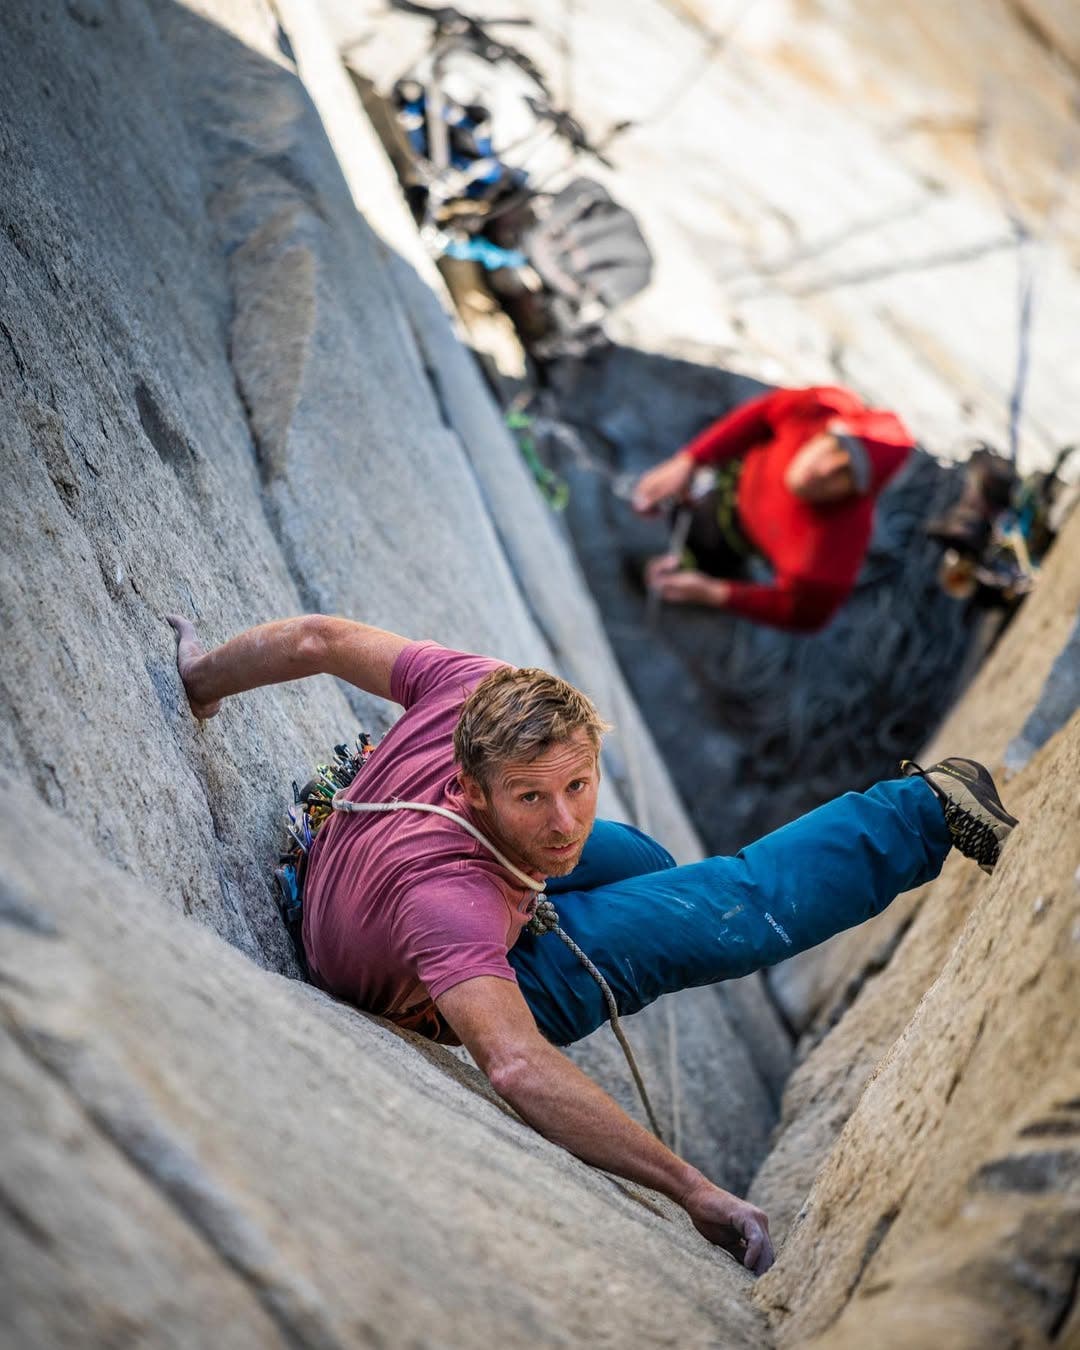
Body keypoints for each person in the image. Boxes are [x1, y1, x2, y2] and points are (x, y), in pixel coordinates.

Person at [167, 612, 1018, 1275]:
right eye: (531, 796)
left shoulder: (477, 688)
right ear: (470, 787)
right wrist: (692, 1190)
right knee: (727, 909)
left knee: (647, 865)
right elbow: (515, 1064)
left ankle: (552, 885)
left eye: (579, 784)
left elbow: (317, 640)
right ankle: (924, 812)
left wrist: (202, 678)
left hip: (347, 856)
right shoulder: (448, 904)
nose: (565, 820)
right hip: (425, 951)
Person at [631, 384, 915, 632]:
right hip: (724, 479)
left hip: (727, 542)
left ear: (858, 495)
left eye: (846, 474)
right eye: (837, 448)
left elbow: (806, 615)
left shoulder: (834, 548)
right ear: (827, 431)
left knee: (655, 573)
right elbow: (762, 413)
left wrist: (714, 593)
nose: (824, 470)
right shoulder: (815, 409)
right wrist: (690, 460)